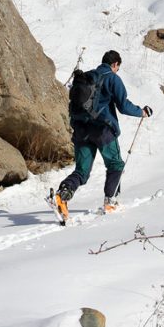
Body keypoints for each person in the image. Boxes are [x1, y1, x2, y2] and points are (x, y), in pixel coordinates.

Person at [55, 50, 151, 215]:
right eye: (117, 68)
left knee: (82, 171)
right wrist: (142, 112)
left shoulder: (87, 77)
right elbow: (123, 106)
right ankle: (110, 202)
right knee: (116, 164)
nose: (116, 70)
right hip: (102, 130)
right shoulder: (112, 78)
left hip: (80, 129)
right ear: (115, 64)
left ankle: (63, 193)